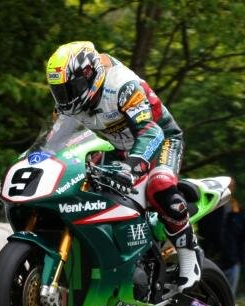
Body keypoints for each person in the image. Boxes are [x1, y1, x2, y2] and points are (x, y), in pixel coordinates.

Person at [45, 41, 199, 291]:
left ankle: (187, 254)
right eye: (59, 91)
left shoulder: (121, 86)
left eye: (70, 88)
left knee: (159, 184)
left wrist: (131, 167)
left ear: (89, 75)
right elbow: (57, 140)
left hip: (161, 139)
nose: (66, 97)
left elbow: (151, 132)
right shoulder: (71, 104)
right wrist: (43, 157)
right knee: (81, 177)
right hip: (119, 147)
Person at [197, 179, 245, 296]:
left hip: (232, 260)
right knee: (206, 293)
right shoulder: (210, 207)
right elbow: (202, 231)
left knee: (228, 295)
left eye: (230, 187)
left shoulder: (239, 211)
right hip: (210, 258)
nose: (228, 189)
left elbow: (244, 237)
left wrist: (241, 259)